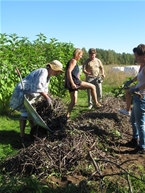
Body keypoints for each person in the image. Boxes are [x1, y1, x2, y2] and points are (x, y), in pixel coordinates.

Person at [10, 60, 64, 143]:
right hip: (23, 92)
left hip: (29, 93)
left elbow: (44, 89)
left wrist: (49, 97)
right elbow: (38, 87)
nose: (57, 73)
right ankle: (22, 136)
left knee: (31, 113)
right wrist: (47, 98)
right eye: (57, 71)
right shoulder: (43, 72)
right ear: (53, 68)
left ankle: (33, 131)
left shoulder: (48, 75)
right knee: (25, 113)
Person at [65, 48, 102, 119]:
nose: (81, 57)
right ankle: (96, 104)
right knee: (93, 87)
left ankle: (67, 115)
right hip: (75, 82)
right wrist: (73, 83)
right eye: (81, 55)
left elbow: (72, 72)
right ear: (77, 54)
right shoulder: (73, 61)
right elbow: (68, 72)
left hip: (73, 82)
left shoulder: (73, 61)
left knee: (74, 101)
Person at [126, 44, 145, 154]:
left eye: (138, 56)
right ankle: (134, 139)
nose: (136, 58)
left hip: (142, 97)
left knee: (140, 123)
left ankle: (142, 146)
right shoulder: (142, 66)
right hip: (138, 96)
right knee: (133, 120)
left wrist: (137, 88)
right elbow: (140, 77)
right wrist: (131, 82)